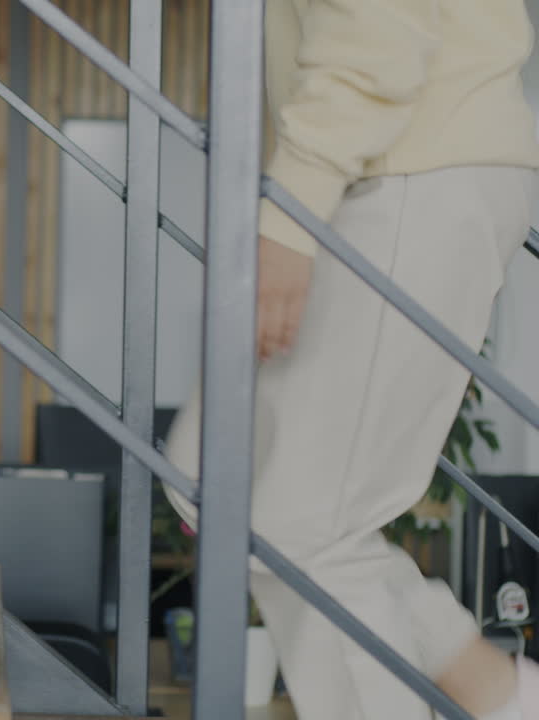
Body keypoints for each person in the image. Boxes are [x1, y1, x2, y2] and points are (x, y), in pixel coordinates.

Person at [164, 1, 539, 718]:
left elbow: (379, 27)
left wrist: (292, 211)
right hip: (401, 163)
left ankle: (494, 692)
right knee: (217, 473)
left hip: (407, 161)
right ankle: (496, 691)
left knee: (297, 525)